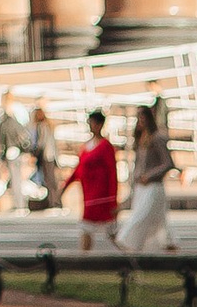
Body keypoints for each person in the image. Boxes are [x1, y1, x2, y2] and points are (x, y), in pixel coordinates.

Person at [116, 104, 175, 254]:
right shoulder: (140, 139)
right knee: (155, 218)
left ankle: (126, 239)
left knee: (143, 215)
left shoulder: (157, 138)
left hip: (153, 185)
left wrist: (150, 176)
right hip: (141, 186)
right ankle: (164, 243)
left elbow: (168, 163)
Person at [66, 107, 121, 248]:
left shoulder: (105, 147)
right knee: (87, 229)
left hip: (102, 196)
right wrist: (66, 185)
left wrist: (113, 199)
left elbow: (112, 173)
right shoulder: (87, 146)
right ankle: (84, 257)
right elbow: (79, 169)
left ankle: (124, 254)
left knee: (109, 230)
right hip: (89, 194)